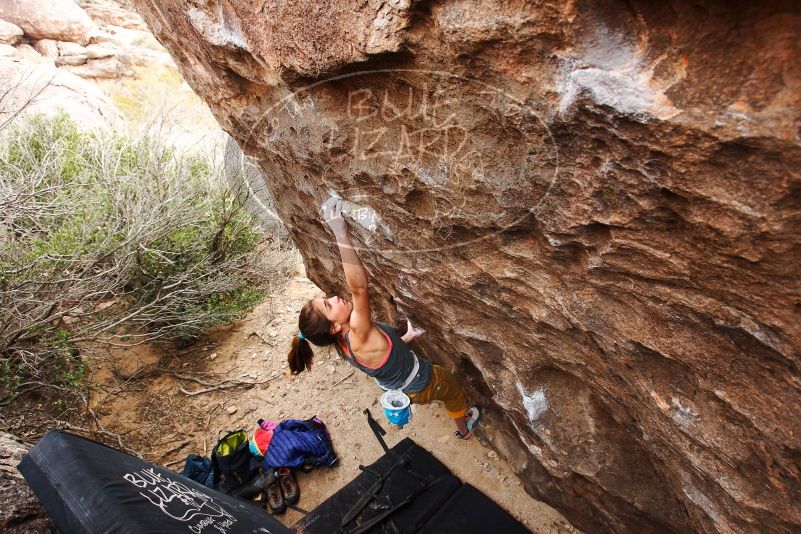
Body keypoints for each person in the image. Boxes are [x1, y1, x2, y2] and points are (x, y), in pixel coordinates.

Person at [287, 197, 480, 439]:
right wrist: (339, 231)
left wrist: (407, 337)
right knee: (451, 387)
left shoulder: (342, 345)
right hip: (421, 382)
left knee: (445, 385)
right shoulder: (358, 330)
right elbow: (359, 288)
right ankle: (465, 430)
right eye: (328, 304)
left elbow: (382, 357)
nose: (335, 297)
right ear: (335, 327)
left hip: (402, 385)